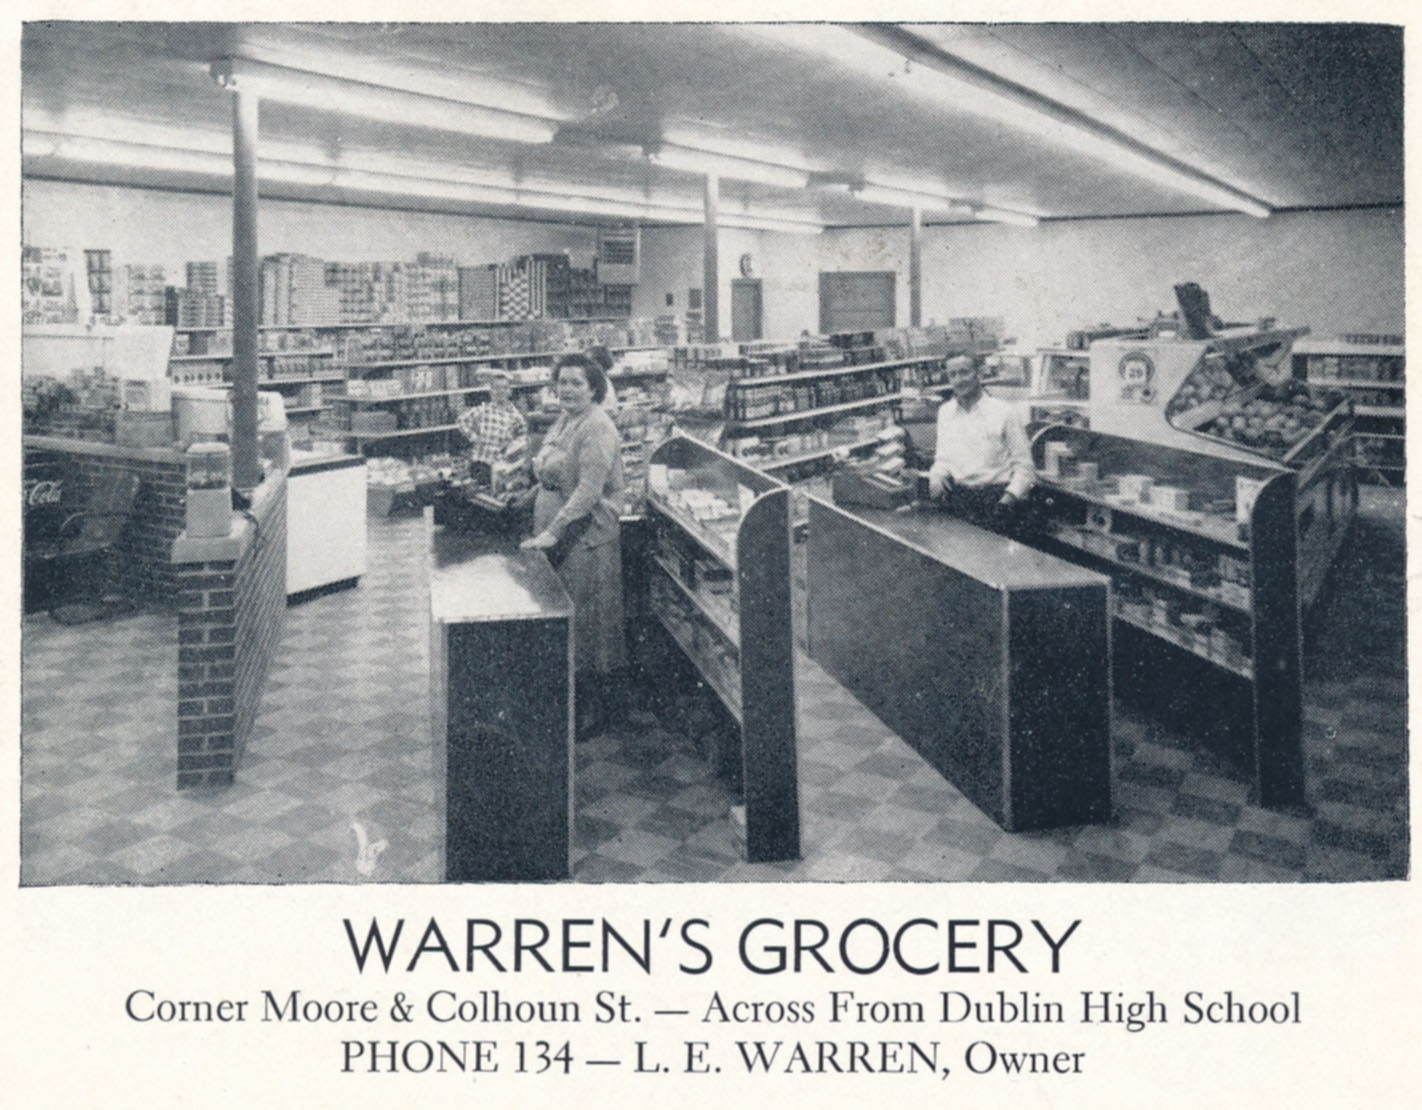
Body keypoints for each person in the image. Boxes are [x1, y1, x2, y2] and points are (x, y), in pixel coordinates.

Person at [520, 354, 626, 739]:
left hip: (585, 537)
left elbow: (588, 489)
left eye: (576, 383)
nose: (566, 389)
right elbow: (552, 470)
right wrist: (529, 494)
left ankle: (594, 711)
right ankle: (573, 701)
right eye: (562, 382)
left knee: (587, 623)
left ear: (594, 388)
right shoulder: (565, 420)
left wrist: (555, 529)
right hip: (556, 528)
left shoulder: (597, 427)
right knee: (566, 615)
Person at [925, 355, 1036, 536]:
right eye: (953, 374)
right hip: (960, 500)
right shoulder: (945, 412)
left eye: (964, 372)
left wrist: (1006, 502)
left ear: (979, 374)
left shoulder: (1004, 412)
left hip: (997, 499)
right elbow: (943, 459)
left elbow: (1025, 468)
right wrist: (936, 476)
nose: (959, 380)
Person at [455, 369, 527, 488]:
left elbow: (523, 438)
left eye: (504, 388)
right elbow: (461, 420)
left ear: (509, 391)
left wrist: (511, 449)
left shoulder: (515, 416)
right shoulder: (484, 409)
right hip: (480, 463)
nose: (500, 391)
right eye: (497, 388)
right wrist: (474, 437)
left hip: (501, 466)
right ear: (491, 391)